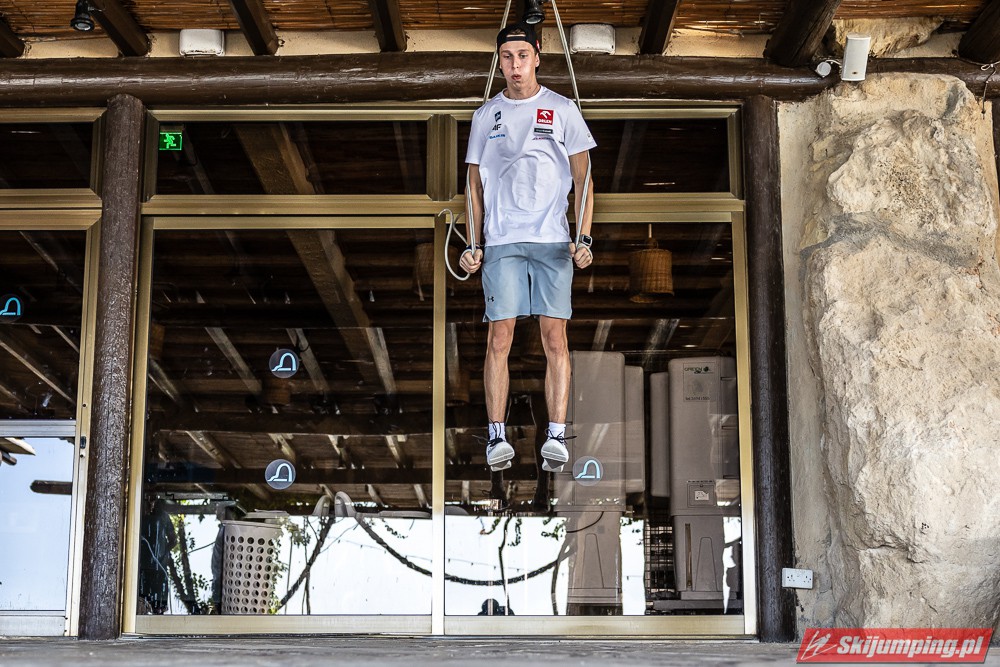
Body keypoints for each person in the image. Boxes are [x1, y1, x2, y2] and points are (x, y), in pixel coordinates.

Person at [460, 21, 596, 473]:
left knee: (555, 337)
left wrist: (583, 238)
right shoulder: (486, 115)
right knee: (500, 337)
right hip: (502, 240)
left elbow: (584, 179)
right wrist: (473, 243)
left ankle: (555, 434)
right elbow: (473, 187)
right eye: (507, 57)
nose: (515, 65)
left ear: (537, 57)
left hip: (552, 239)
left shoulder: (562, 108)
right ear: (499, 62)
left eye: (522, 56)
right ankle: (496, 435)